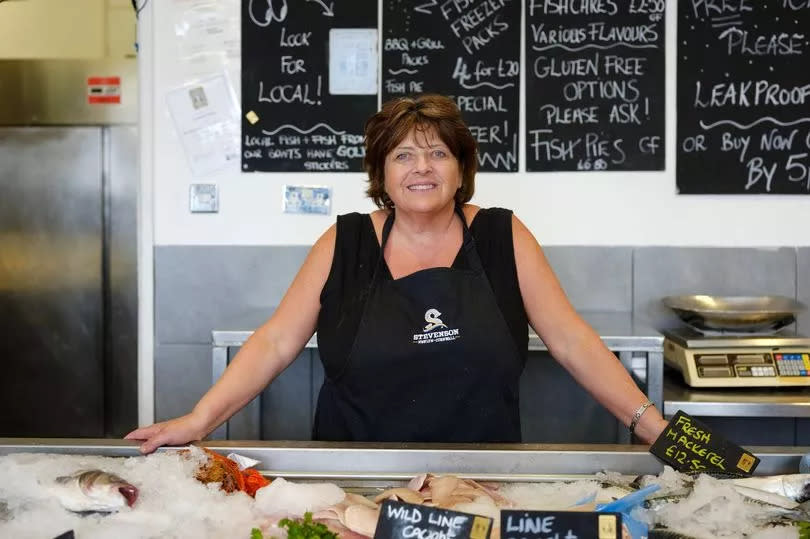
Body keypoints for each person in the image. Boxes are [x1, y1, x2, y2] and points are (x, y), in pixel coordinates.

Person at [127, 94, 668, 452]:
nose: (423, 168)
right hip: (355, 478)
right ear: (381, 175)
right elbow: (274, 343)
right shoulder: (346, 240)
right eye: (404, 156)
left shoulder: (504, 236)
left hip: (480, 479)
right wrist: (200, 420)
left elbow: (571, 340)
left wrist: (656, 430)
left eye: (438, 153)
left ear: (462, 170)